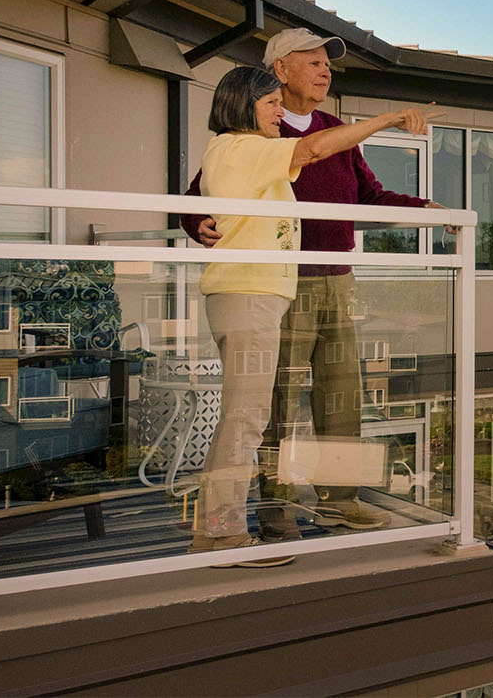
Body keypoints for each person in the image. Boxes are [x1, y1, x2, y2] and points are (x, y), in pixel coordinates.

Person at [182, 28, 439, 541]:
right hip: (274, 283)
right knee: (272, 405)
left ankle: (340, 501)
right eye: (315, 61)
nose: (326, 71)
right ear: (279, 70)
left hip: (334, 279)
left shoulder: (330, 130)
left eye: (329, 64)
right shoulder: (254, 141)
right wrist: (198, 224)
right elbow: (202, 194)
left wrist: (428, 211)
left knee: (340, 396)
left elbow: (369, 196)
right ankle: (273, 515)